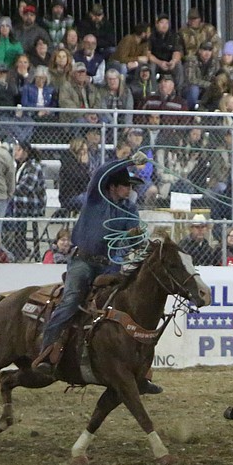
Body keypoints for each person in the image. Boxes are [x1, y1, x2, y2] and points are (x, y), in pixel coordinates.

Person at [32, 159, 158, 396]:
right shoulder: (95, 199)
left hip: (110, 266)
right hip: (83, 261)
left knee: (129, 304)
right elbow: (101, 171)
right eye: (124, 185)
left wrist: (139, 238)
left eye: (130, 186)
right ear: (111, 186)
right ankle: (47, 352)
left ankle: (137, 369)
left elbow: (136, 235)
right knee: (70, 301)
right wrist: (131, 160)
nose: (129, 190)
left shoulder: (129, 210)